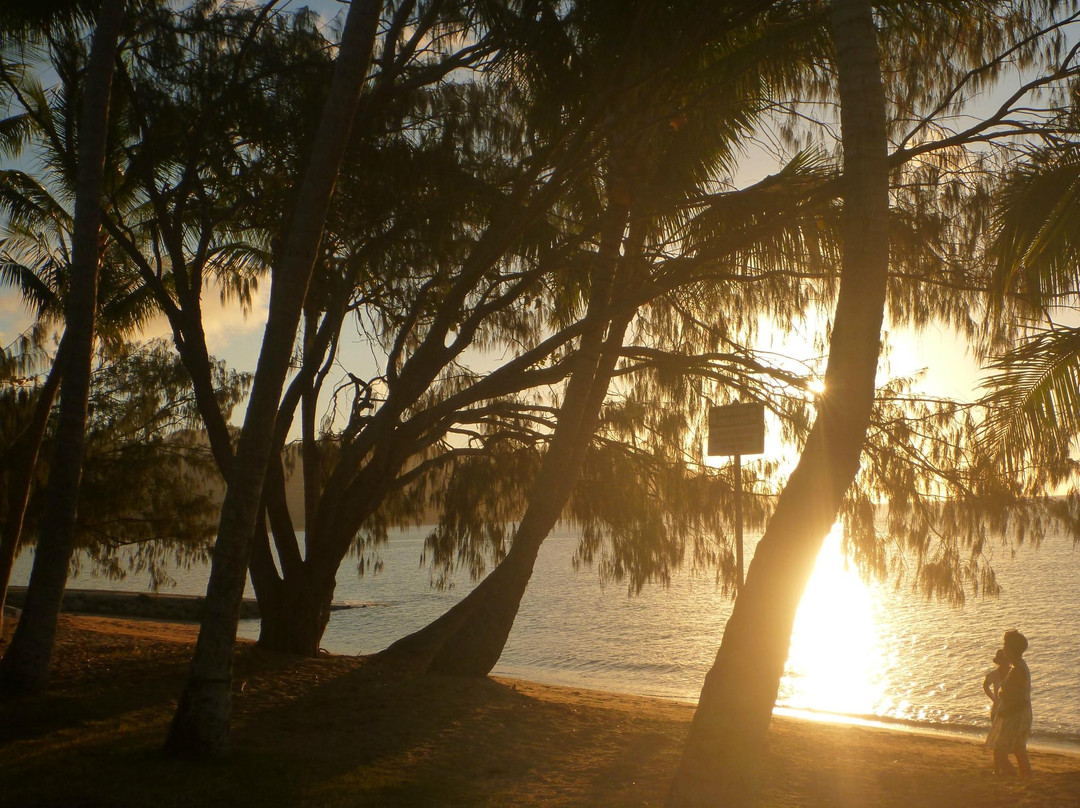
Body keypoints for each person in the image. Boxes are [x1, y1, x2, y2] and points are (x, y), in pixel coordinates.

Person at [985, 629, 1033, 777]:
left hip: (1015, 714)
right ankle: (1024, 779)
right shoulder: (1018, 667)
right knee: (1018, 750)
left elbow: (1009, 694)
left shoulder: (1017, 670)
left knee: (1002, 751)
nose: (1004, 649)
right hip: (1016, 712)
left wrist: (1002, 694)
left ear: (1011, 650)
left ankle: (1016, 777)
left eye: (1006, 646)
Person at [982, 647, 1010, 724]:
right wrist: (994, 698)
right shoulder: (994, 674)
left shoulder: (1013, 672)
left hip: (1010, 710)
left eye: (1005, 659)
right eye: (1002, 660)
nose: (1004, 662)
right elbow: (985, 686)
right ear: (999, 662)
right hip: (997, 710)